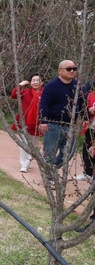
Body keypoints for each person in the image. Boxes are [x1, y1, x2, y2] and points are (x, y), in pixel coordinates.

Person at [39, 60, 82, 188]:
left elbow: (81, 102)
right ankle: (49, 177)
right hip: (53, 124)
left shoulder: (77, 85)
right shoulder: (51, 85)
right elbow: (44, 104)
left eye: (74, 68)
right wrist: (43, 121)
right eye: (68, 69)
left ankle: (50, 170)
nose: (72, 71)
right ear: (60, 70)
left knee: (69, 152)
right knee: (50, 153)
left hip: (70, 126)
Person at [11, 73, 43, 173]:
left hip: (38, 123)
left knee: (33, 144)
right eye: (33, 80)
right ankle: (24, 164)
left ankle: (28, 161)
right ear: (30, 82)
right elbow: (13, 95)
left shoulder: (45, 93)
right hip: (24, 121)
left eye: (37, 80)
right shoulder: (25, 92)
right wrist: (20, 85)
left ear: (42, 82)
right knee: (25, 143)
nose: (35, 82)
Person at [74, 77, 95, 182]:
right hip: (91, 124)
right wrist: (88, 111)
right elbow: (82, 100)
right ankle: (88, 173)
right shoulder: (90, 86)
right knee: (87, 148)